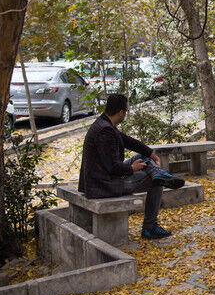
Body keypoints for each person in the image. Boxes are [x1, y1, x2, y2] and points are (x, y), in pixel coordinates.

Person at [78, 94, 185, 240]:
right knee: (157, 181)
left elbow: (127, 141)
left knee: (145, 160)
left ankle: (159, 174)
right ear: (121, 112)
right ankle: (149, 227)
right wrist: (132, 169)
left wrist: (150, 153)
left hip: (104, 178)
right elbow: (112, 167)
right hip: (103, 185)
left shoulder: (104, 123)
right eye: (126, 111)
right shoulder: (105, 131)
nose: (126, 114)